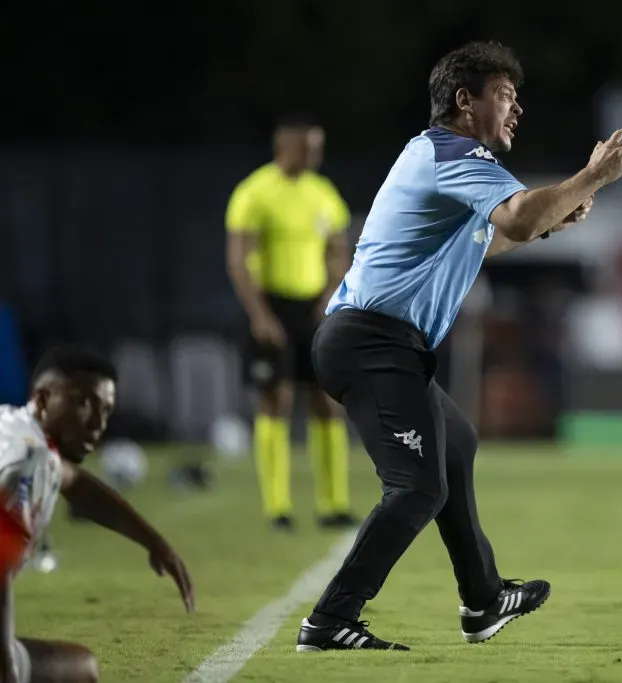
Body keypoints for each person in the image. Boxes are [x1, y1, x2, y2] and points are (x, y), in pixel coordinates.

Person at [295, 40, 622, 652]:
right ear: (464, 100)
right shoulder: (455, 152)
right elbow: (515, 219)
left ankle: (482, 600)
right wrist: (592, 176)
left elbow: (492, 238)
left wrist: (549, 219)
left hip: (377, 341)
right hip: (372, 341)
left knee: (456, 442)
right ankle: (329, 621)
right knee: (417, 489)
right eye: (505, 95)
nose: (517, 110)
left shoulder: (439, 158)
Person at [0, 346, 194, 683]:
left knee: (79, 666)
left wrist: (153, 542)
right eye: (83, 402)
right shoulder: (26, 462)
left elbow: (78, 486)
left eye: (106, 410)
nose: (97, 422)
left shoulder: (21, 433)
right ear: (43, 398)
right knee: (77, 672)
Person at [225, 115, 359, 531]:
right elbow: (238, 260)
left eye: (318, 148)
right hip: (273, 306)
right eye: (308, 148)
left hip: (314, 308)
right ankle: (277, 507)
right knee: (276, 400)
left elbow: (339, 248)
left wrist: (329, 295)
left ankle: (333, 504)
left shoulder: (323, 193)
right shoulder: (255, 192)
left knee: (327, 401)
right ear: (284, 147)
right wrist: (259, 315)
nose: (315, 155)